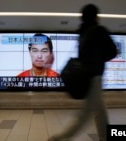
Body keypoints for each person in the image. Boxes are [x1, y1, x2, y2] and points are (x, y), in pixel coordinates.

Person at [48, 4, 117, 141]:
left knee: (100, 110)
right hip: (94, 77)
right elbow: (112, 51)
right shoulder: (98, 30)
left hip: (87, 76)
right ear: (96, 16)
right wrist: (99, 58)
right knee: (85, 115)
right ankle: (58, 138)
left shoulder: (82, 32)